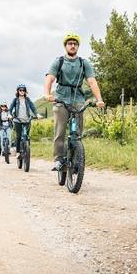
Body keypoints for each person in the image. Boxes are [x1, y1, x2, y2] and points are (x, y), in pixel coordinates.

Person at [44, 32, 105, 171]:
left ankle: (76, 159)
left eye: (75, 44)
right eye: (70, 43)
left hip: (78, 99)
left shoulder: (84, 63)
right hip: (60, 98)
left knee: (77, 133)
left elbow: (92, 82)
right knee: (60, 132)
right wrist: (47, 94)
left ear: (78, 47)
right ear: (66, 46)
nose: (72, 46)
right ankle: (58, 160)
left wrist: (99, 99)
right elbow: (50, 78)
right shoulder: (58, 61)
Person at [9, 84, 42, 158]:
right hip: (17, 120)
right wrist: (10, 115)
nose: (22, 91)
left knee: (27, 136)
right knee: (18, 136)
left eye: (23, 90)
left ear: (25, 91)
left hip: (27, 120)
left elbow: (33, 107)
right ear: (18, 91)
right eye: (20, 90)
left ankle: (27, 150)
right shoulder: (15, 100)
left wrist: (37, 114)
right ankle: (18, 152)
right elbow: (10, 109)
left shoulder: (27, 99)